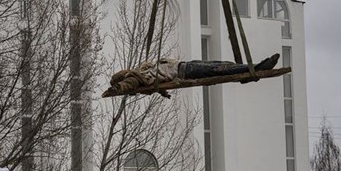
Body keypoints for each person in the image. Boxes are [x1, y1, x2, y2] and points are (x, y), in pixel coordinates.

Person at [107, 53, 280, 95]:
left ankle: (251, 71)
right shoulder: (134, 77)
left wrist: (161, 91)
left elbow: (153, 85)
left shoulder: (140, 71)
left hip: (185, 65)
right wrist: (117, 89)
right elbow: (129, 86)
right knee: (219, 70)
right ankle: (256, 68)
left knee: (223, 65)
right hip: (185, 72)